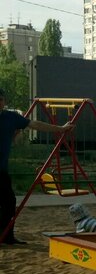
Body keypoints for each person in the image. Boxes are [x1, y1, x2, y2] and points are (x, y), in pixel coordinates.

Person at [1, 88, 74, 245]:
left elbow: (35, 124)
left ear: (4, 102)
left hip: (1, 170)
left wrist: (60, 129)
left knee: (9, 202)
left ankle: (6, 236)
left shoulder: (10, 117)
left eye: (0, 100)